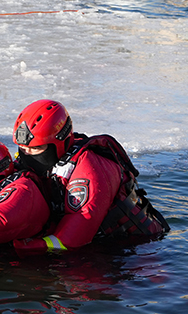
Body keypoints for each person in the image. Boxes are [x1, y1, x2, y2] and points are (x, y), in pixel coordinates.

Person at [11, 99, 169, 253]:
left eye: (36, 148)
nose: (27, 155)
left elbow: (73, 238)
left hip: (138, 249)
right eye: (23, 149)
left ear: (61, 142)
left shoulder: (90, 169)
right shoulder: (42, 162)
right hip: (95, 244)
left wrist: (24, 246)